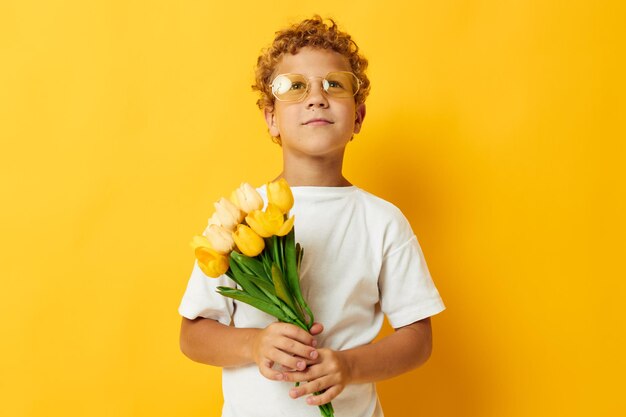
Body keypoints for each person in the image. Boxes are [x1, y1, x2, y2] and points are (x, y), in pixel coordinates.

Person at [178, 15, 446, 417]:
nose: (316, 97)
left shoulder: (383, 221)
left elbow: (417, 339)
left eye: (334, 85)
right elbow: (193, 335)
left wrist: (351, 366)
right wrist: (253, 344)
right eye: (294, 87)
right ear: (271, 119)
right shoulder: (240, 219)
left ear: (357, 117)